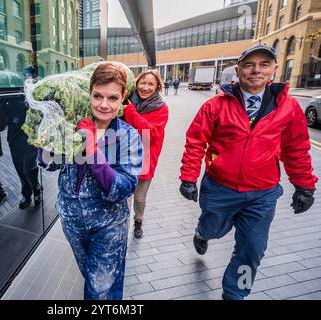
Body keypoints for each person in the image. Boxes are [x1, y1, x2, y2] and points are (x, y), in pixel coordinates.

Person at [179, 44, 318, 300]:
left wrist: (305, 186)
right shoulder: (216, 106)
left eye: (264, 64)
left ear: (274, 70)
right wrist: (188, 177)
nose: (256, 70)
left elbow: (296, 149)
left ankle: (235, 292)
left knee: (251, 249)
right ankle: (203, 232)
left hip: (262, 194)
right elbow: (196, 141)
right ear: (238, 69)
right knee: (214, 228)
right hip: (219, 188)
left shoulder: (288, 108)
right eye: (249, 64)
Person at [39, 62, 143, 300]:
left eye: (112, 98)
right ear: (90, 94)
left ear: (123, 98)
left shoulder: (129, 136)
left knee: (99, 290)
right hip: (72, 221)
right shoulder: (73, 126)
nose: (104, 105)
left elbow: (122, 187)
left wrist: (91, 147)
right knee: (92, 277)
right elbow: (49, 163)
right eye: (97, 96)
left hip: (108, 225)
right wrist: (45, 134)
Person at [123, 69, 169, 239]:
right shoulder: (127, 100)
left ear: (158, 86)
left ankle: (138, 220)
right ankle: (122, 225)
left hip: (145, 158)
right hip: (124, 157)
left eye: (151, 84)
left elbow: (150, 133)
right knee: (123, 195)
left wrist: (130, 112)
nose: (146, 87)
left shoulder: (161, 108)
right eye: (143, 82)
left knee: (140, 197)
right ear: (136, 83)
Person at [5, 66, 41, 209]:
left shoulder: (36, 93)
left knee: (30, 169)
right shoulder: (14, 93)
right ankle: (27, 194)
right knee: (20, 170)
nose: (27, 78)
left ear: (34, 77)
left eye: (29, 76)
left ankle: (36, 190)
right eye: (25, 76)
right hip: (14, 139)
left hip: (29, 140)